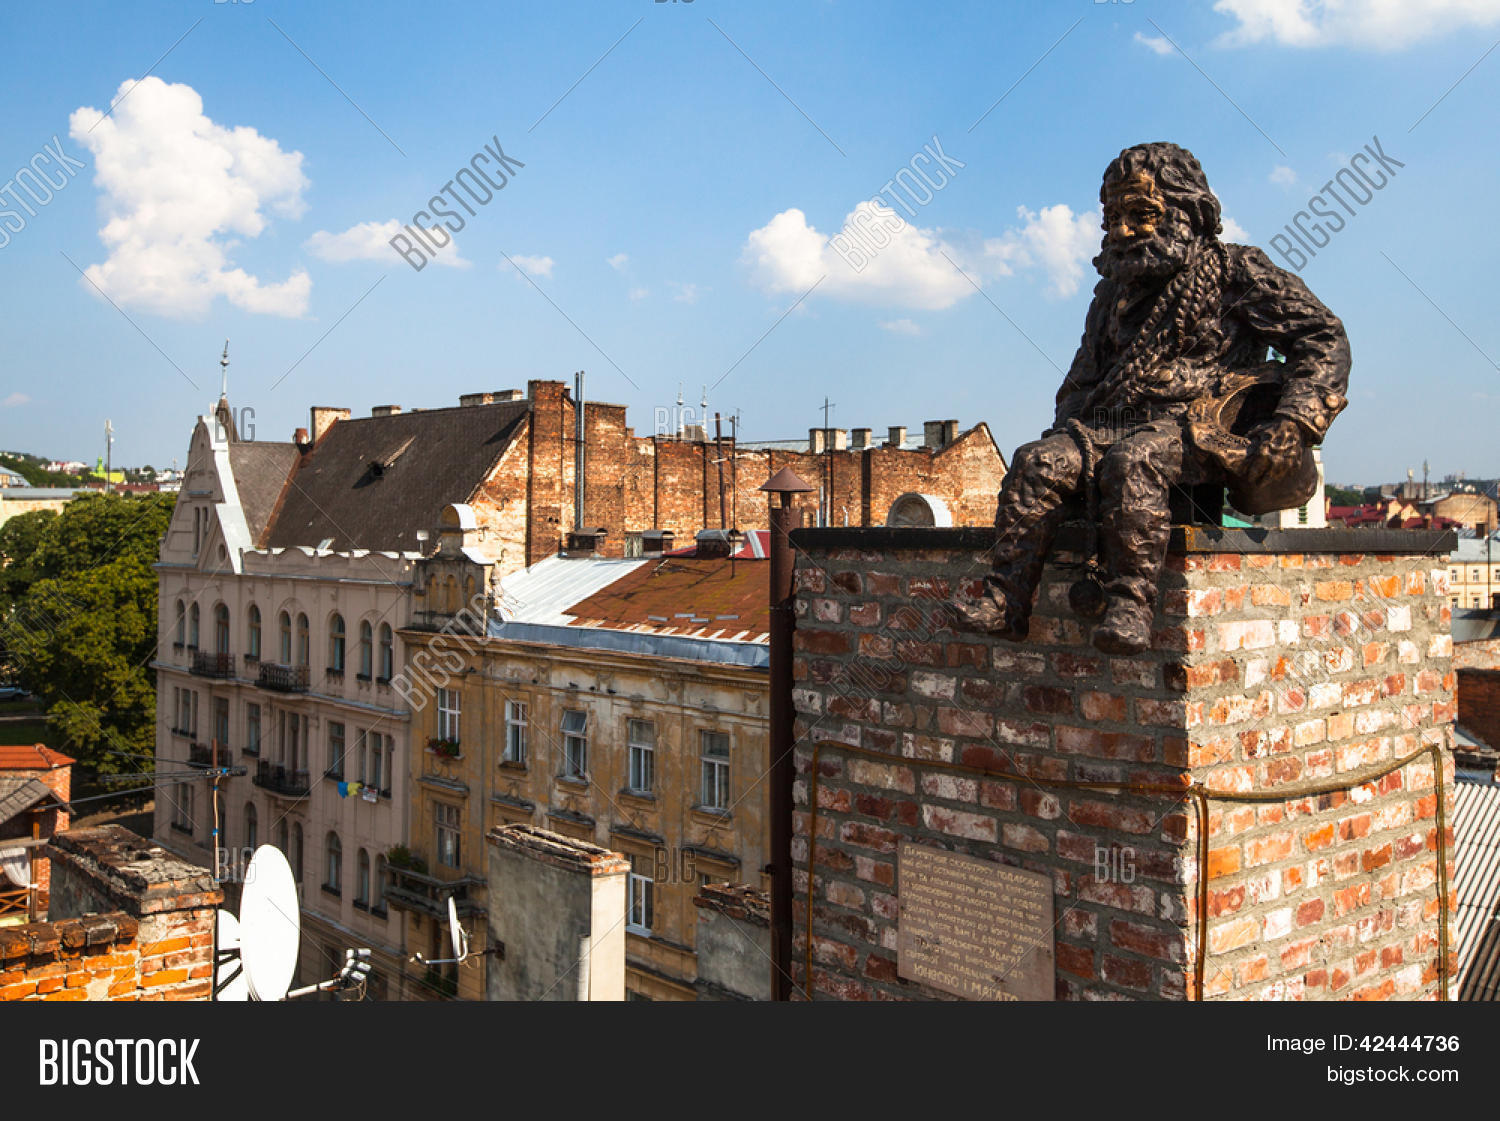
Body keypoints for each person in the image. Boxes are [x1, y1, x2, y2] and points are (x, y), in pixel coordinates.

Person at [961, 142, 1350, 655]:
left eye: (1141, 214)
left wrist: (1293, 422)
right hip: (1107, 424)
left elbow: (1321, 336)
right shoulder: (1110, 297)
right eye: (1113, 216)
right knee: (1036, 462)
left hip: (1198, 431)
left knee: (1135, 460)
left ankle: (1130, 605)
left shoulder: (1236, 272)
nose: (1121, 230)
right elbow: (1081, 383)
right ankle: (1006, 601)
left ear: (1187, 213)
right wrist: (1069, 443)